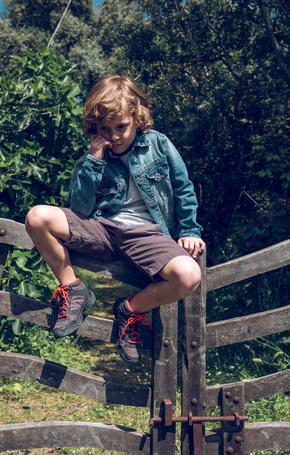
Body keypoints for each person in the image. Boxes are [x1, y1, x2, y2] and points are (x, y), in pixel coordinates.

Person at [25, 75, 205, 364]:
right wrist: (94, 160)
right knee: (37, 217)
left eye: (121, 126)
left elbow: (183, 188)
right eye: (104, 129)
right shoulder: (92, 159)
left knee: (189, 276)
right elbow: (79, 209)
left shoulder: (158, 144)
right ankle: (73, 288)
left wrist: (189, 229)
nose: (114, 136)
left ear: (137, 117)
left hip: (148, 235)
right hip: (102, 229)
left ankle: (130, 309)